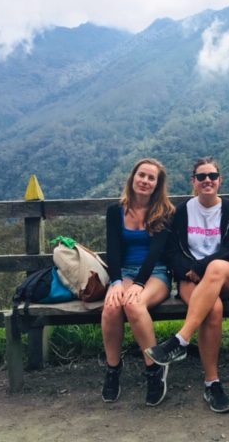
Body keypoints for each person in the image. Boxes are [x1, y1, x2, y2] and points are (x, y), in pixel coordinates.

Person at [145, 156, 229, 413]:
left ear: (220, 180)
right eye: (201, 177)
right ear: (194, 181)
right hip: (190, 278)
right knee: (213, 310)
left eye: (212, 176)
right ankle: (212, 383)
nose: (207, 181)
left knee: (215, 268)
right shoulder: (180, 212)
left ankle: (180, 340)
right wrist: (187, 271)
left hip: (227, 275)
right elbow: (171, 251)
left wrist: (201, 268)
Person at [101, 158, 176, 406]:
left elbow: (156, 252)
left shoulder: (165, 212)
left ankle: (154, 369)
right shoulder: (115, 211)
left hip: (156, 274)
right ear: (132, 178)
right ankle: (113, 369)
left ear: (157, 184)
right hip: (124, 273)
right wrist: (115, 282)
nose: (145, 181)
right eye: (141, 175)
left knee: (133, 304)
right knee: (112, 306)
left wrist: (139, 284)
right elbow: (112, 251)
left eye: (151, 178)